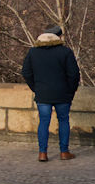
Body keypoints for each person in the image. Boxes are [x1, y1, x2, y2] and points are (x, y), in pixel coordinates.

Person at [22, 23, 81, 162]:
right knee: (63, 121)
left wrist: (36, 88)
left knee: (43, 122)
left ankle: (43, 153)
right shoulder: (65, 52)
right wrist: (70, 91)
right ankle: (64, 152)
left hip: (43, 93)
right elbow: (74, 74)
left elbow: (26, 72)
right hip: (62, 93)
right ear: (59, 36)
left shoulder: (33, 52)